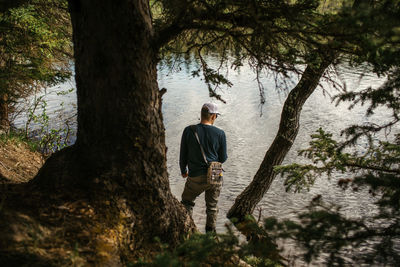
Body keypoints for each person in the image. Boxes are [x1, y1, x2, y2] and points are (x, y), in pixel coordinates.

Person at [179, 102, 228, 233]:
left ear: (202, 115)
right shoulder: (220, 133)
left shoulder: (189, 130)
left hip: (195, 174)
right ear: (212, 116)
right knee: (212, 207)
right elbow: (222, 158)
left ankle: (186, 230)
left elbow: (183, 154)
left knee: (187, 202)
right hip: (215, 172)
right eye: (216, 116)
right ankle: (210, 235)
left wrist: (184, 171)